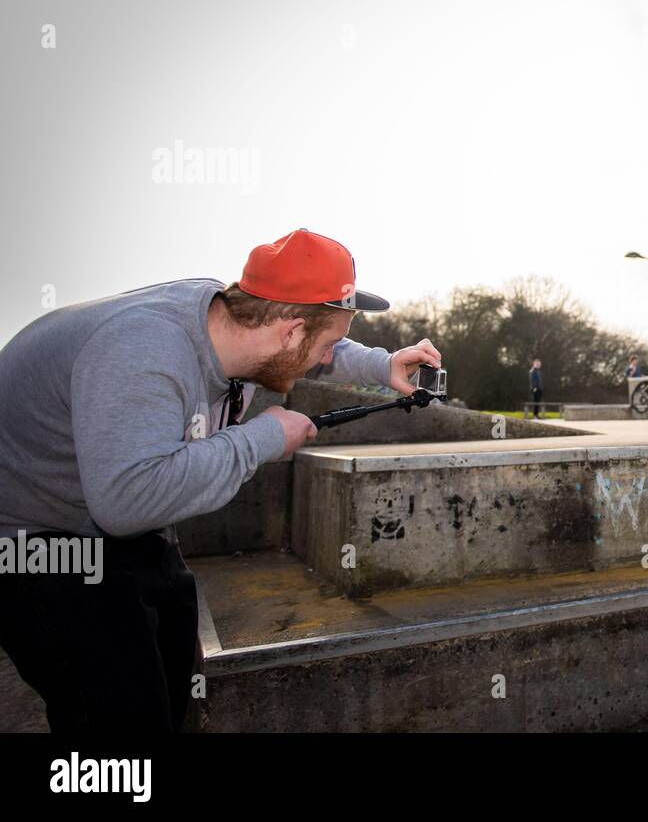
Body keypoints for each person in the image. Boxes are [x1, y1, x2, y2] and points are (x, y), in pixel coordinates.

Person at [0, 229, 439, 732]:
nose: (327, 357)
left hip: (101, 522)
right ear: (291, 332)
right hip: (29, 539)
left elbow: (321, 351)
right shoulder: (145, 351)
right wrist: (261, 439)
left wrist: (384, 366)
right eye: (326, 344)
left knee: (174, 660)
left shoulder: (237, 324)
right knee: (118, 709)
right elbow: (125, 500)